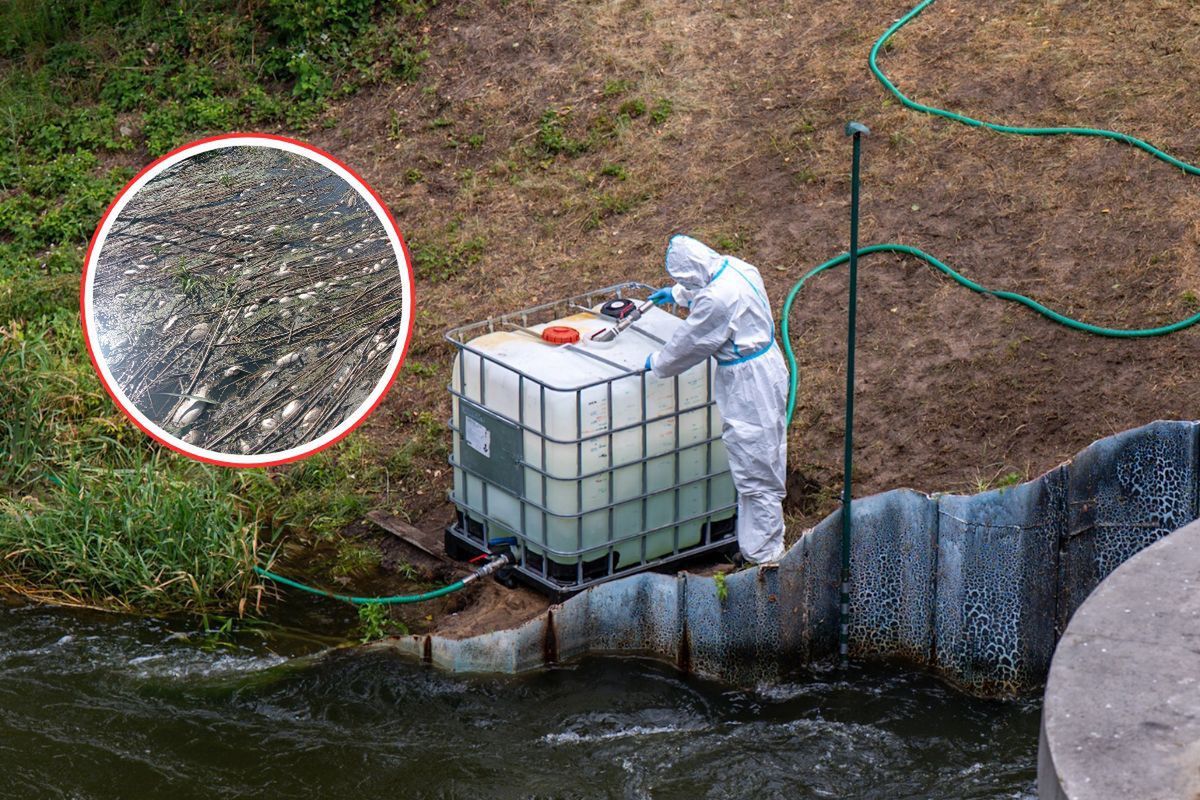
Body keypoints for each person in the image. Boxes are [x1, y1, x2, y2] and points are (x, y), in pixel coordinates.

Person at [645, 234, 788, 565]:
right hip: (766, 366)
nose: (682, 284)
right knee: (764, 454)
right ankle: (758, 541)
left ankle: (764, 558)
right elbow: (709, 287)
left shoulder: (716, 302)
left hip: (749, 385)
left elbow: (691, 341)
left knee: (755, 465)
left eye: (682, 280)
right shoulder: (739, 267)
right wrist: (679, 295)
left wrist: (658, 363)